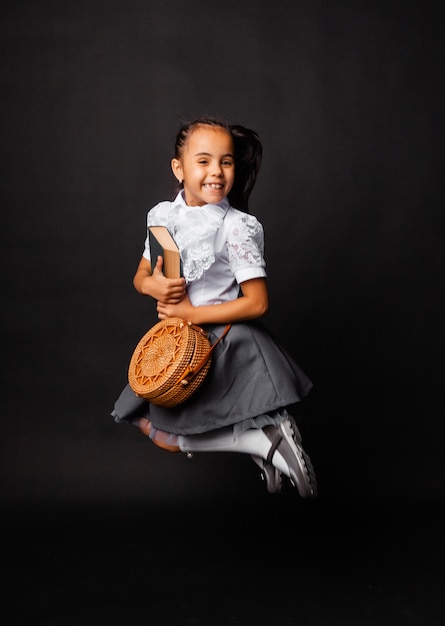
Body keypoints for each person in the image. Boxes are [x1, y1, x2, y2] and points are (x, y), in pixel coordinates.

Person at [111, 116, 317, 497]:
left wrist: (190, 314)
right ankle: (264, 445)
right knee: (160, 433)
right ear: (179, 167)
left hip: (220, 338)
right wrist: (150, 284)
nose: (216, 172)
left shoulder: (236, 226)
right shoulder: (162, 216)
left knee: (172, 432)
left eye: (226, 161)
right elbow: (141, 275)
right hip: (176, 342)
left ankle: (267, 443)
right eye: (203, 160)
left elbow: (257, 302)